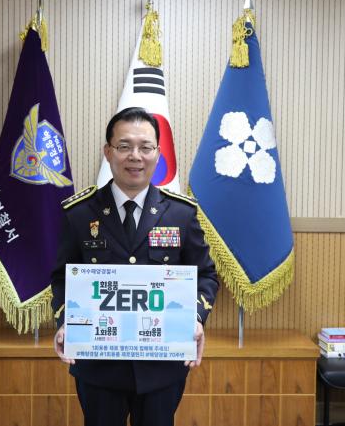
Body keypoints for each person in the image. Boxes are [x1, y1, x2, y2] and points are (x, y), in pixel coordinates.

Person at [51, 107, 219, 426]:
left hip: (161, 364)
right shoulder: (80, 213)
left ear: (158, 153)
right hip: (99, 365)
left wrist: (195, 317)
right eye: (124, 146)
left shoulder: (181, 214)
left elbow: (205, 275)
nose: (135, 156)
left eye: (145, 147)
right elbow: (62, 278)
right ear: (108, 152)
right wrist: (64, 321)